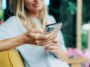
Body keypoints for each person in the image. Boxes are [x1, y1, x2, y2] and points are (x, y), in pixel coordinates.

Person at [0, 0, 69, 67]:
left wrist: (56, 49)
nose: (37, 0)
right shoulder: (14, 22)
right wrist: (23, 39)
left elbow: (66, 58)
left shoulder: (50, 19)